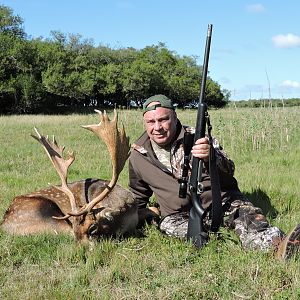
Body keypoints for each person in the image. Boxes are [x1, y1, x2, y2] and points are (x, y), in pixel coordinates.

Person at [128, 94, 300, 259]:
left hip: (221, 202)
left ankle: (280, 246)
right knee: (173, 228)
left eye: (163, 119)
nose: (157, 127)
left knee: (249, 220)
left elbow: (229, 169)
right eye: (151, 121)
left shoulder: (199, 136)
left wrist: (212, 157)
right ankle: (216, 238)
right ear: (144, 122)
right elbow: (138, 194)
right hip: (177, 215)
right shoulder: (138, 154)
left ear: (174, 117)